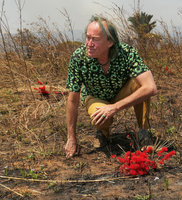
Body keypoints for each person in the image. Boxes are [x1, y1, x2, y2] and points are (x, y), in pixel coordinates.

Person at [64, 16, 157, 158]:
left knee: (140, 85)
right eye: (87, 38)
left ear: (110, 42)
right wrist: (71, 138)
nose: (89, 43)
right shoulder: (78, 58)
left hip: (121, 93)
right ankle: (103, 132)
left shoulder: (126, 53)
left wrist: (115, 107)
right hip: (95, 97)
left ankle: (144, 132)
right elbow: (72, 100)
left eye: (95, 39)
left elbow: (151, 87)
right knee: (99, 115)